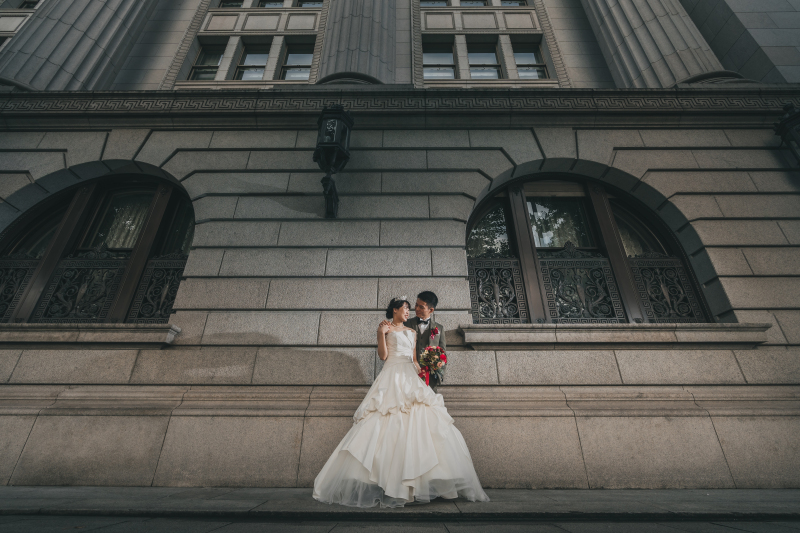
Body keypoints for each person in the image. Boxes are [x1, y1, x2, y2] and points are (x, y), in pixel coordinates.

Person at [312, 297, 489, 508]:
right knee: (386, 419)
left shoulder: (412, 332)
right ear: (395, 310)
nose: (409, 312)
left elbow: (414, 358)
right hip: (391, 375)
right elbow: (383, 356)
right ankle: (387, 481)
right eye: (405, 308)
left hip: (410, 375)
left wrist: (423, 371)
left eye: (409, 309)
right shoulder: (385, 329)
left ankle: (416, 482)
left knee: (421, 420)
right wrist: (380, 334)